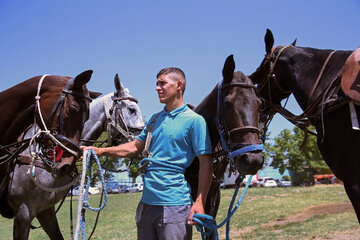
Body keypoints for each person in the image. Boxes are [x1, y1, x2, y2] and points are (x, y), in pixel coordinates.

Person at [81, 67, 213, 240]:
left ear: (179, 85)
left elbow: (206, 163)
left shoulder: (194, 121)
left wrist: (200, 202)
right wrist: (100, 151)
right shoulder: (154, 119)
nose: (157, 88)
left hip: (174, 205)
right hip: (146, 205)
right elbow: (135, 146)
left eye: (162, 83)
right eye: (157, 84)